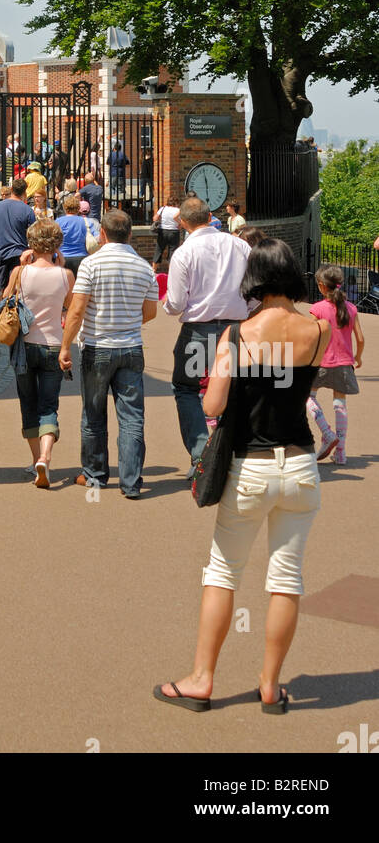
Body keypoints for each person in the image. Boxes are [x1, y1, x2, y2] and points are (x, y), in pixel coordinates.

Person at [154, 239, 331, 713]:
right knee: (286, 578)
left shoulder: (236, 334)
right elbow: (297, 388)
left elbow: (212, 406)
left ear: (253, 277)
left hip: (250, 466)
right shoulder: (318, 330)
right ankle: (271, 686)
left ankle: (201, 679)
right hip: (300, 464)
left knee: (223, 572)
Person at [60, 210, 158, 497]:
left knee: (93, 413)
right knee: (131, 416)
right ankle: (131, 482)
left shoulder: (91, 264)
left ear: (102, 233)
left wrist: (65, 346)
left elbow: (77, 310)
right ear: (129, 234)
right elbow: (150, 312)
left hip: (97, 346)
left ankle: (95, 475)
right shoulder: (143, 267)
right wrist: (126, 321)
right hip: (130, 346)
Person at [163, 196, 252, 476]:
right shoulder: (240, 245)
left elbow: (176, 303)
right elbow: (254, 290)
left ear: (182, 222)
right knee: (235, 389)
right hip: (236, 328)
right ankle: (235, 453)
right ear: (210, 216)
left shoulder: (184, 252)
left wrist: (169, 307)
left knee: (187, 388)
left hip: (199, 330)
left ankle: (202, 455)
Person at [2, 220, 74, 487]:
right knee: (48, 405)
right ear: (57, 244)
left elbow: (5, 301)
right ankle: (46, 456)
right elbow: (71, 306)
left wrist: (21, 264)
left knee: (28, 403)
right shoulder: (65, 275)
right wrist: (61, 265)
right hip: (54, 345)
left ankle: (36, 463)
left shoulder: (20, 272)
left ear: (31, 244)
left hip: (24, 346)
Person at [307, 264, 364, 465]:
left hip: (321, 361)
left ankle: (326, 431)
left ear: (322, 286)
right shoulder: (351, 308)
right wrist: (358, 357)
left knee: (308, 397)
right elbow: (360, 337)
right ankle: (340, 452)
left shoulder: (317, 309)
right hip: (344, 363)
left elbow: (312, 336)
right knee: (340, 404)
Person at [0, 178, 36, 290]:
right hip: (20, 253)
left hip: (1, 251)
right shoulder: (27, 210)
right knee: (16, 287)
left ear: (11, 189)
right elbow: (33, 234)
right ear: (25, 192)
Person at [58, 194, 98, 276]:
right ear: (78, 209)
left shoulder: (58, 222)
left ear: (65, 208)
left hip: (62, 257)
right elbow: (98, 238)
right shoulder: (86, 221)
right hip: (82, 258)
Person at [152, 196, 182, 273]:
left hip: (163, 231)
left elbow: (155, 218)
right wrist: (179, 224)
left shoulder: (163, 208)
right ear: (176, 202)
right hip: (174, 232)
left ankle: (153, 271)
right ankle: (170, 273)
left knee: (159, 251)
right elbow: (180, 221)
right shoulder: (178, 210)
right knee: (172, 252)